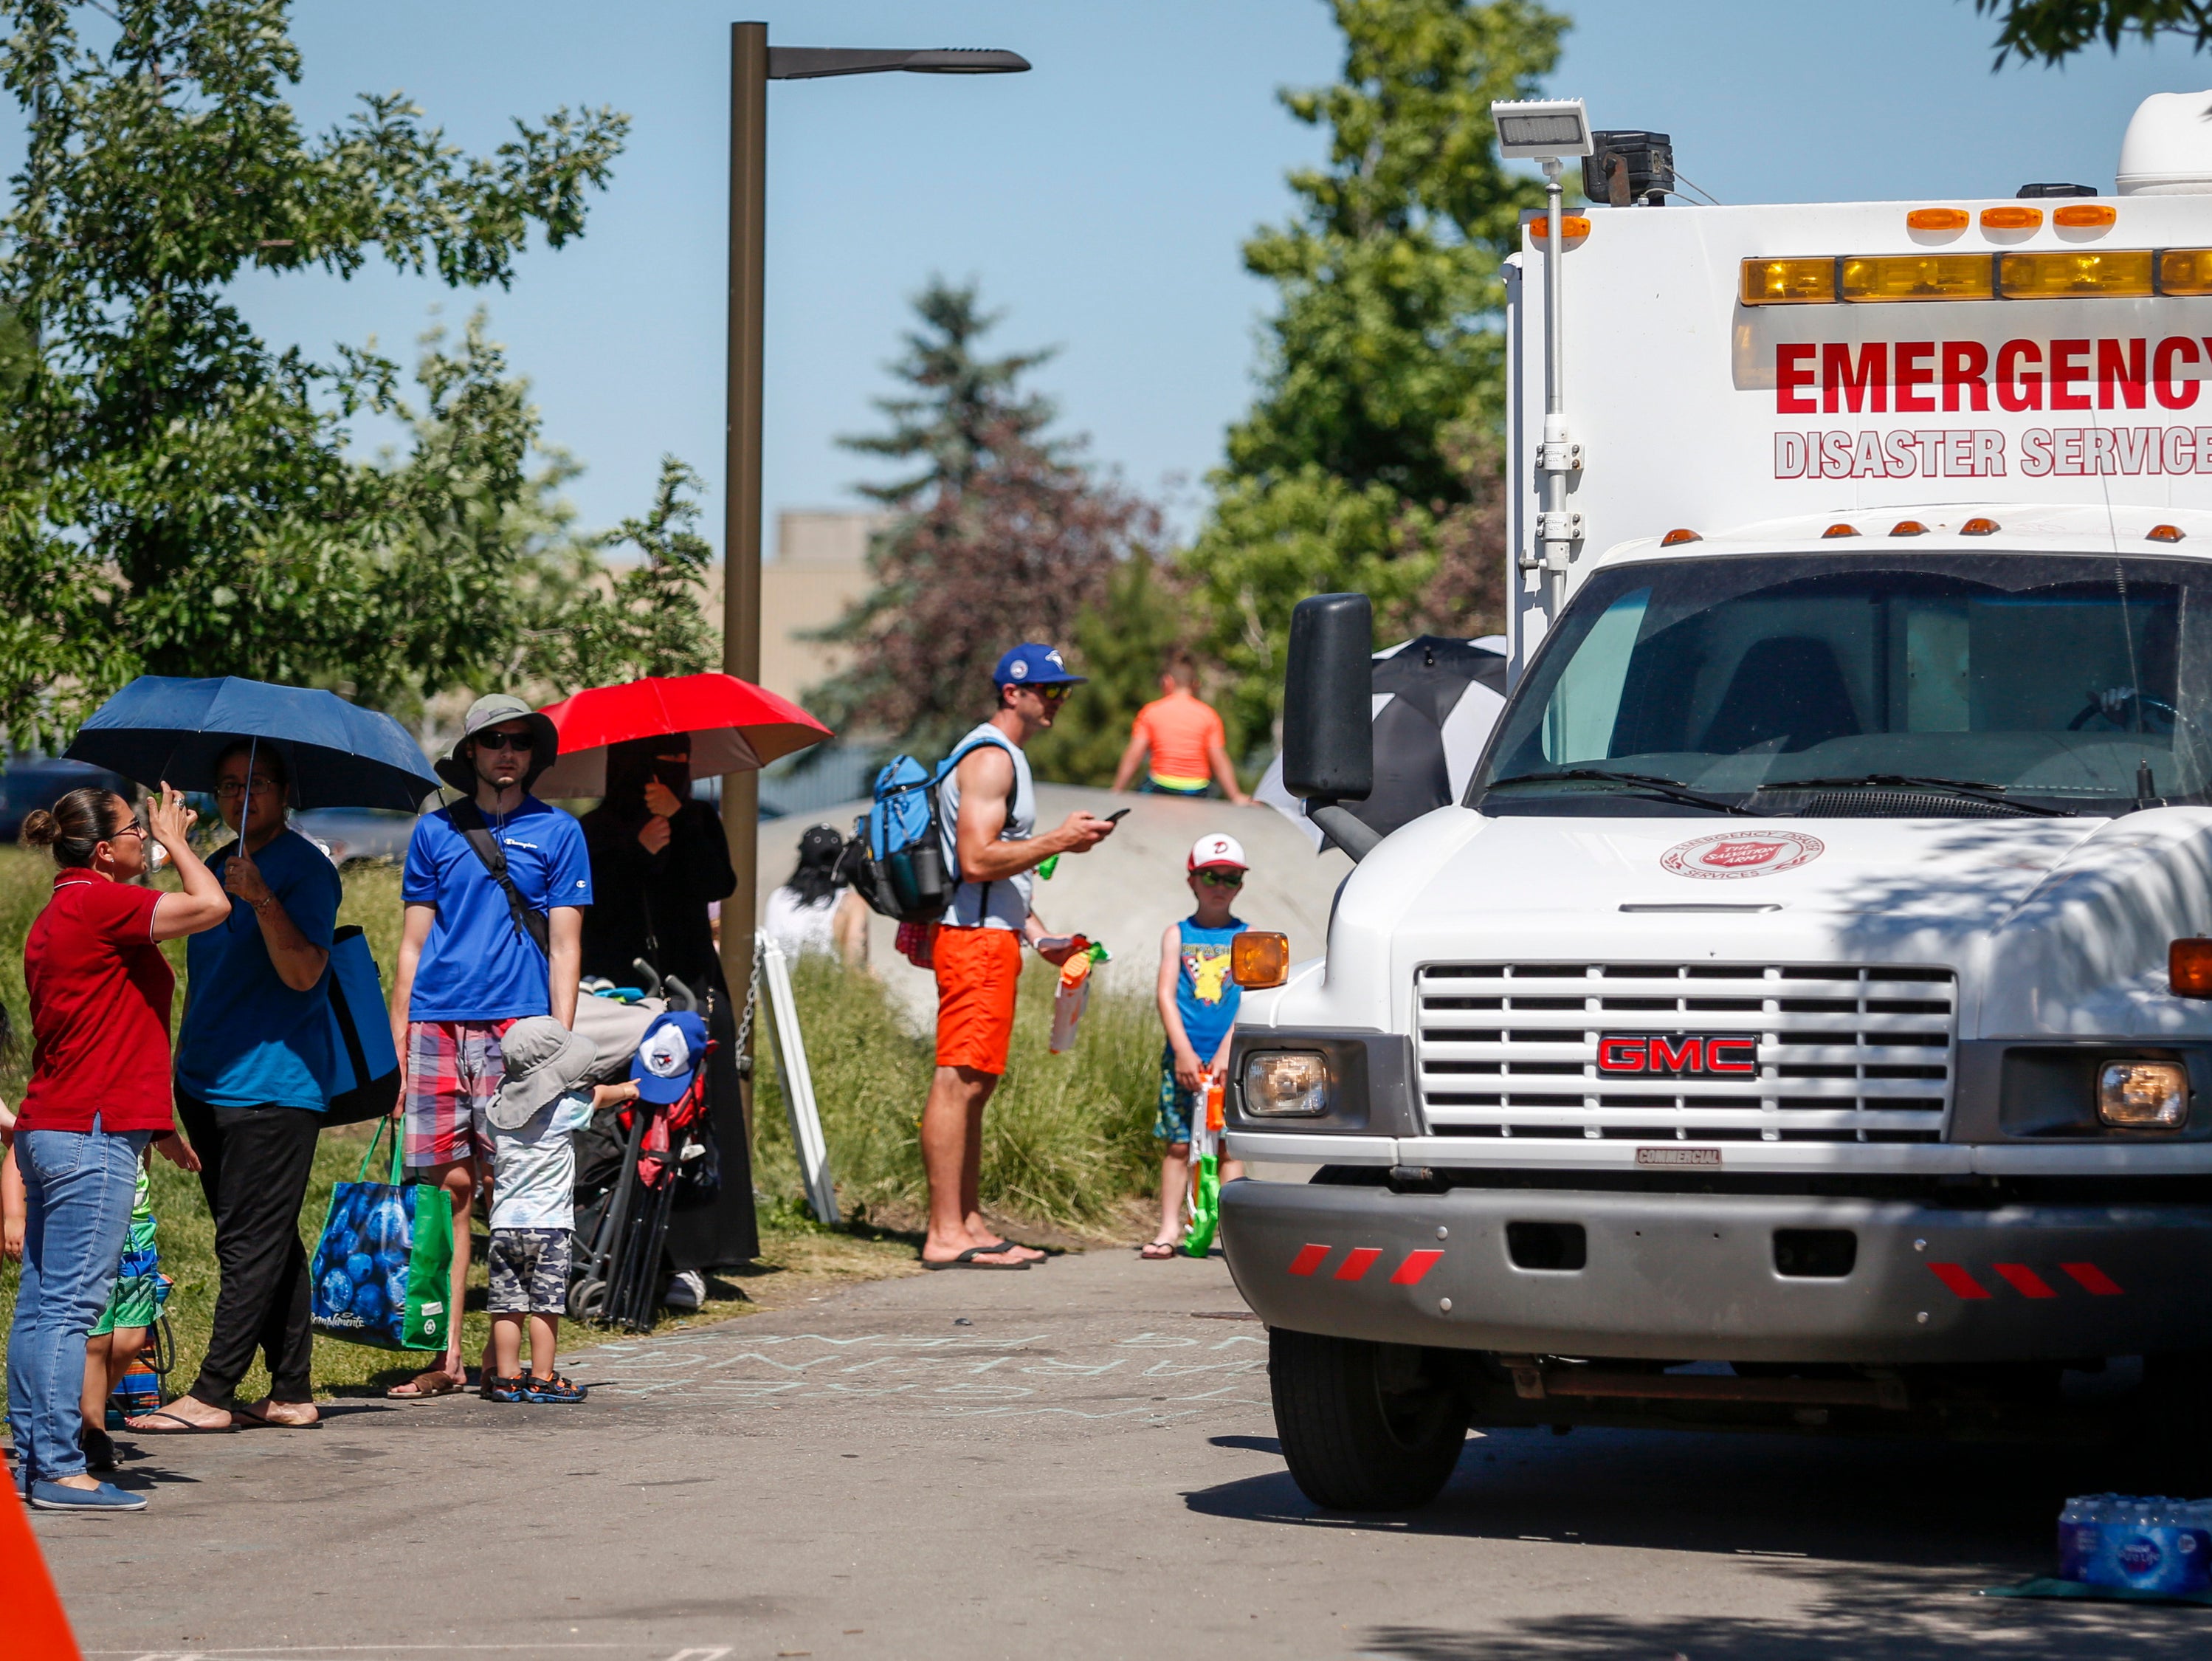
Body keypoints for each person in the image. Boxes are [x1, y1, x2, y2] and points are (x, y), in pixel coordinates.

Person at [9, 784, 226, 1512]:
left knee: (43, 1307)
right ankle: (61, 1469)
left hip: (58, 1126)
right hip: (89, 1133)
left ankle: (34, 1456)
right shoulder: (98, 905)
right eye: (138, 830)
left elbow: (116, 1012)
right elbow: (214, 908)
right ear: (104, 849)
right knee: (69, 1309)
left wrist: (158, 1126)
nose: (151, 839)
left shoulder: (67, 908)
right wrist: (184, 844)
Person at [134, 742, 341, 1434]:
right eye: (226, 787)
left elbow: (306, 974)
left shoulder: (306, 870)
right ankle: (291, 1392)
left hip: (275, 1086)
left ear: (285, 793)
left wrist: (262, 900)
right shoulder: (216, 866)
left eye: (254, 785)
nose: (238, 798)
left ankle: (212, 1394)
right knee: (265, 1237)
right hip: (207, 1082)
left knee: (249, 1242)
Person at [385, 695, 590, 1398]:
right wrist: (397, 1049)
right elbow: (411, 947)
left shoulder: (561, 832)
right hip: (437, 1025)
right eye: (493, 740)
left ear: (534, 755)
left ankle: (519, 1360)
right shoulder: (435, 832)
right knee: (449, 1193)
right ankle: (443, 1357)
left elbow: (566, 946)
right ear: (469, 751)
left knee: (519, 1189)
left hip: (521, 1033)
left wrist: (558, 1049)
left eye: (521, 742)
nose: (507, 751)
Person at [923, 644, 1117, 1270]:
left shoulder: (1004, 758)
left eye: (1063, 690)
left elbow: (996, 877)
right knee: (957, 1082)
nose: (1058, 700)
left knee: (976, 1084)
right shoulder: (988, 759)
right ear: (1012, 692)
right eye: (1049, 689)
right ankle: (944, 1232)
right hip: (972, 942)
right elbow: (977, 860)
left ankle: (969, 1222)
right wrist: (1061, 838)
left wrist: (1039, 938)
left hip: (993, 936)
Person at [576, 732, 757, 1291]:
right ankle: (621, 1245)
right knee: (635, 1121)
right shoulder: (594, 828)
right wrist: (638, 852)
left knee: (699, 1119)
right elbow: (590, 904)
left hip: (693, 985)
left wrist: (680, 823)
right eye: (655, 766)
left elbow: (717, 882)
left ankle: (696, 1252)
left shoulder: (699, 817)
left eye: (680, 766)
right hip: (621, 995)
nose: (668, 775)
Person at [480, 1017, 635, 1404]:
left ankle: (507, 1378)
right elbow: (598, 1096)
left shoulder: (497, 1114)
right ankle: (543, 1377)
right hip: (549, 1228)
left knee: (507, 1308)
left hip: (503, 1227)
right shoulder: (566, 1109)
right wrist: (629, 1090)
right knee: (545, 1308)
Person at [1143, 834, 1252, 1259]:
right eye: (1211, 875)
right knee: (1177, 1143)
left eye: (1231, 878)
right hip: (1184, 1057)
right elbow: (1166, 994)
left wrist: (1228, 1050)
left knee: (1229, 1145)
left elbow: (1250, 997)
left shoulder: (1249, 936)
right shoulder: (1178, 934)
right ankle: (1170, 1227)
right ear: (1192, 880)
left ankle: (1234, 1233)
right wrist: (1183, 1051)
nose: (1220, 885)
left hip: (1232, 1060)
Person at [1111, 656, 1250, 804]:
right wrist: (1235, 795)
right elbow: (1219, 759)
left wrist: (1117, 789)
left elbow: (1135, 754)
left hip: (1160, 786)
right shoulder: (1208, 715)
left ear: (1167, 681)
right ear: (1196, 684)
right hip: (1197, 789)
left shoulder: (1151, 711)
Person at [763, 824, 869, 966]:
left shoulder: (777, 897)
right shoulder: (849, 903)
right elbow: (855, 962)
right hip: (825, 984)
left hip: (777, 983)